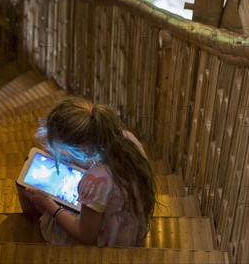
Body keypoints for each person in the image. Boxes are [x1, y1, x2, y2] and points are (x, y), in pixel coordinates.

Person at [18, 96, 156, 247]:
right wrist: (68, 156)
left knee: (39, 202)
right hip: (130, 229)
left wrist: (49, 204)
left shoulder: (94, 179)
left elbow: (85, 236)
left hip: (109, 243)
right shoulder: (128, 139)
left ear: (81, 149)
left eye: (62, 148)